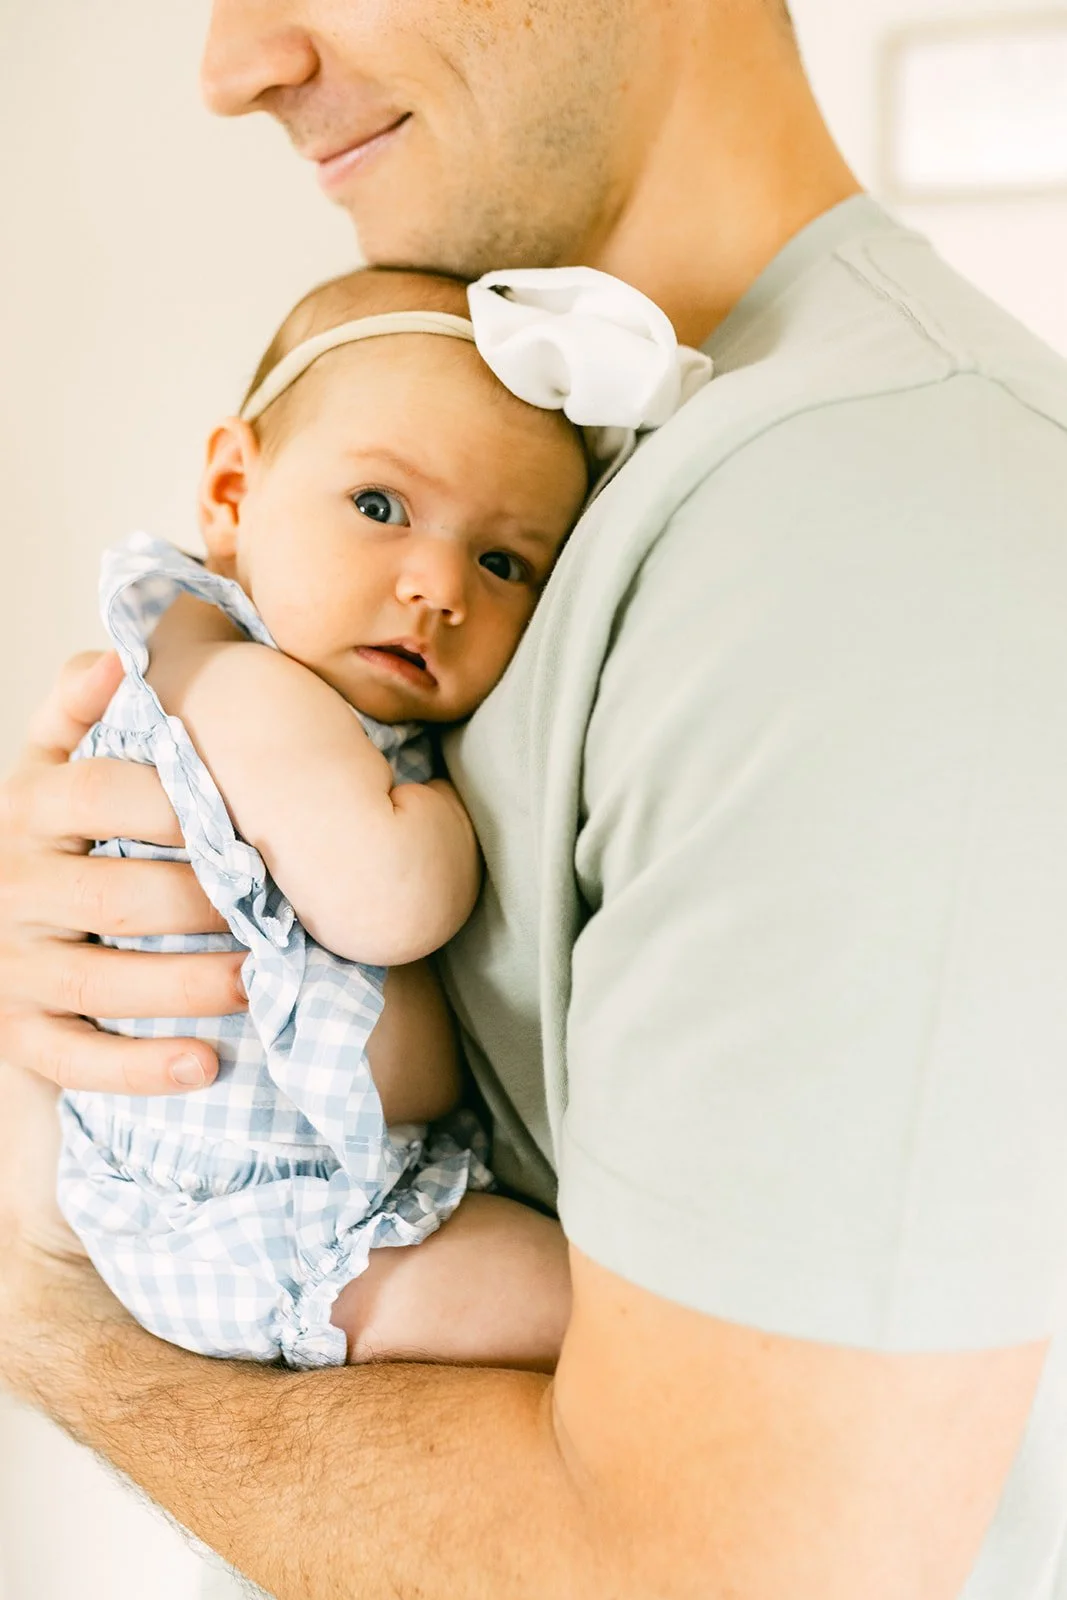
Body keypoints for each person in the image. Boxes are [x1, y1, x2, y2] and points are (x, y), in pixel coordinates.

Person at [2, 0, 1067, 1595]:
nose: (232, 66)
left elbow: (709, 1572)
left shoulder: (880, 519)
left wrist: (48, 1305)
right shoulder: (638, 462)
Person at [54, 260, 706, 1374]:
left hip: (335, 1196)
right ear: (229, 497)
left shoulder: (302, 700)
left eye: (503, 561)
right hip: (262, 1228)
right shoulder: (236, 688)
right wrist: (467, 807)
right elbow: (392, 900)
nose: (439, 585)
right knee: (625, 1332)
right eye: (379, 507)